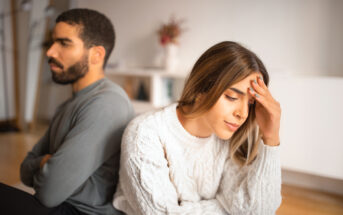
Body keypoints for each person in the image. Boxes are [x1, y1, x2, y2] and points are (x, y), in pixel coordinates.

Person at [113, 41, 282, 214]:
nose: (243, 114)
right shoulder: (145, 134)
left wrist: (271, 137)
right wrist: (225, 207)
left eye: (251, 103)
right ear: (202, 88)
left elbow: (259, 210)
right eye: (232, 97)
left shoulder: (229, 137)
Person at [0, 8, 133, 215]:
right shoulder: (69, 104)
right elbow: (24, 170)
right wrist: (45, 164)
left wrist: (47, 164)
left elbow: (49, 192)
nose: (50, 52)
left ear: (96, 55)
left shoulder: (107, 103)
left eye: (64, 43)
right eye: (53, 42)